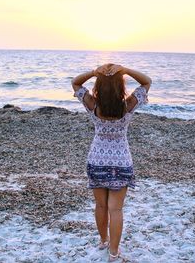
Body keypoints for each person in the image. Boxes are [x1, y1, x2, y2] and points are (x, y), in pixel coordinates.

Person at [71, 63, 151, 262]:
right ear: (120, 86)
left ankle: (103, 241)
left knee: (100, 206)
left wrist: (93, 72)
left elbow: (75, 83)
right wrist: (125, 70)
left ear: (98, 85)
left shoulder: (93, 105)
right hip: (121, 162)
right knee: (116, 209)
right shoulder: (127, 105)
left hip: (97, 159)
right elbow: (147, 82)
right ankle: (114, 253)